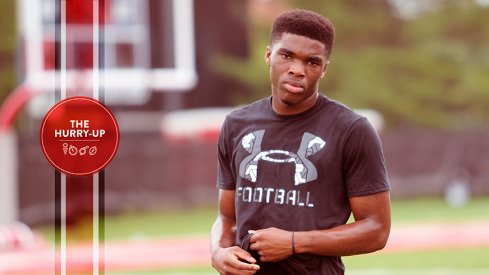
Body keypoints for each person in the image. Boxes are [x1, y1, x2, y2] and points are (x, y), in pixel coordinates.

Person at [211, 9, 391, 275]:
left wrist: (294, 242)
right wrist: (218, 251)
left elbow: (376, 229)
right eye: (286, 56)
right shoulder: (237, 124)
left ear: (324, 69)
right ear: (269, 54)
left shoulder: (352, 130)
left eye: (312, 62)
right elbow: (227, 218)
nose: (297, 70)